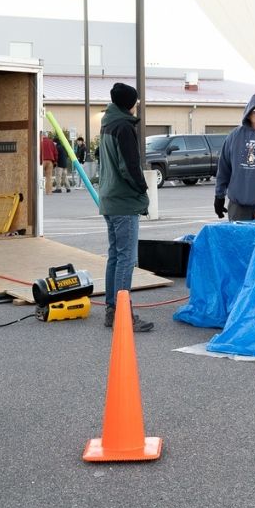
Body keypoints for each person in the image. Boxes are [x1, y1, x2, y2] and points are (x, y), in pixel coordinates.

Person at [98, 83, 153, 332]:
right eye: (136, 102)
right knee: (126, 259)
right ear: (129, 103)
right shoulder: (124, 127)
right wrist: (142, 188)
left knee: (115, 256)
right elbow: (129, 166)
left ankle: (112, 310)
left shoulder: (108, 124)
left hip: (109, 199)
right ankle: (122, 314)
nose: (137, 106)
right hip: (124, 201)